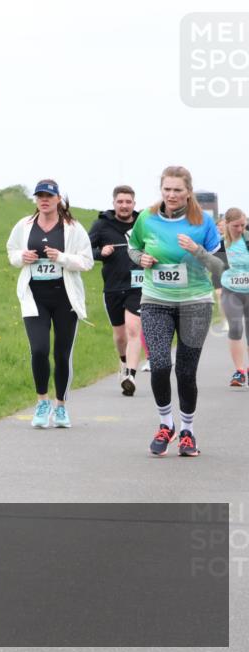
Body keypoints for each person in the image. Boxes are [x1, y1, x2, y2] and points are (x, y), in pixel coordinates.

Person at [127, 166, 223, 457]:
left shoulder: (203, 222)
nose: (171, 195)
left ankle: (188, 431)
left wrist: (197, 250)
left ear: (188, 192)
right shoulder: (147, 217)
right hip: (156, 300)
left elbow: (218, 266)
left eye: (177, 190)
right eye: (166, 189)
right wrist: (140, 257)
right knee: (158, 363)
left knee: (185, 370)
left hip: (195, 303)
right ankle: (165, 424)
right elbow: (132, 248)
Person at [6, 180, 94, 428]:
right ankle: (42, 401)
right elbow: (11, 251)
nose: (44, 200)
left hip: (65, 298)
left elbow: (87, 261)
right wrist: (21, 257)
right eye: (40, 196)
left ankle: (61, 406)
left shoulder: (73, 228)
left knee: (62, 354)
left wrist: (62, 258)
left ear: (58, 199)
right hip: (35, 297)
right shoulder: (24, 226)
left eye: (49, 196)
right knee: (39, 350)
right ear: (35, 199)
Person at [89, 185, 144, 395]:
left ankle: (130, 375)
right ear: (114, 204)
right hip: (112, 287)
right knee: (120, 336)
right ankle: (123, 363)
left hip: (137, 286)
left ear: (134, 204)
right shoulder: (102, 225)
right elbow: (85, 250)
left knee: (133, 329)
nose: (124, 206)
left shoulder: (143, 224)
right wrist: (100, 252)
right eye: (120, 202)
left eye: (128, 202)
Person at [216, 207, 249, 387]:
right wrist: (217, 288)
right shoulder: (221, 244)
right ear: (227, 224)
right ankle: (240, 371)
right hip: (231, 291)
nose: (240, 229)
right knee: (235, 328)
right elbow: (216, 267)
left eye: (243, 225)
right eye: (236, 225)